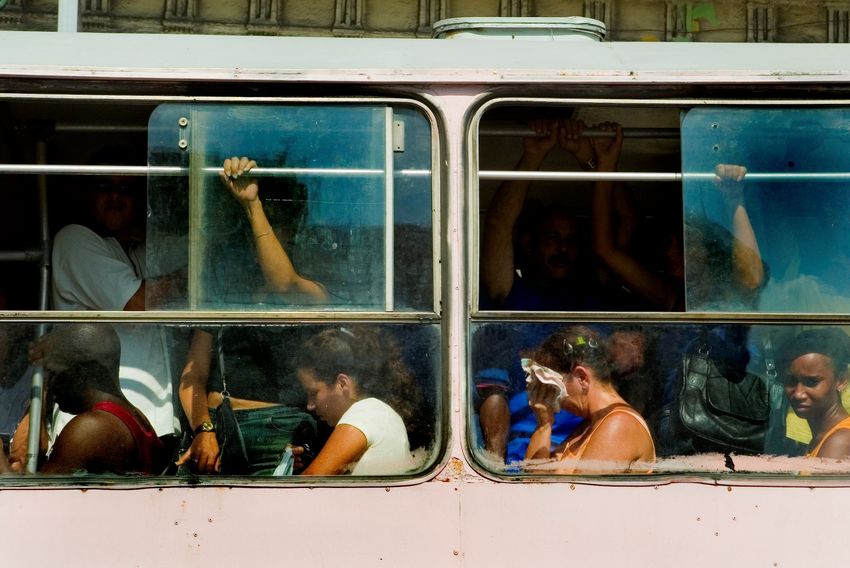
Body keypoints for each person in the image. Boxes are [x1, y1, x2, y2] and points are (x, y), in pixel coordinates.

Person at [176, 158, 326, 475]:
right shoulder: (226, 290)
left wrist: (253, 205)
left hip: (283, 434)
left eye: (276, 223)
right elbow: (193, 376)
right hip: (219, 427)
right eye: (256, 225)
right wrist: (203, 429)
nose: (261, 234)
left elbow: (283, 284)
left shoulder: (311, 290)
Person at [50, 147, 183, 446]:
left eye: (126, 188)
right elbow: (136, 304)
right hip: (95, 422)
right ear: (87, 196)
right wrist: (188, 279)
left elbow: (200, 250)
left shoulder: (137, 250)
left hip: (150, 418)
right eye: (104, 186)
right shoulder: (75, 240)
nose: (115, 196)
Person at [0, 323, 164, 475]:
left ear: (81, 373)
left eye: (54, 373)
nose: (50, 385)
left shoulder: (92, 428)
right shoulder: (131, 415)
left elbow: (34, 494)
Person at [292, 326, 424, 476]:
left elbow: (311, 481)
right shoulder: (376, 412)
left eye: (313, 393)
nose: (310, 405)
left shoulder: (365, 412)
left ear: (342, 384)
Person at [524, 326, 655, 474]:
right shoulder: (589, 426)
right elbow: (532, 482)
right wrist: (543, 425)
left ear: (582, 378)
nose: (554, 400)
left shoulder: (620, 424)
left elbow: (577, 489)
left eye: (554, 389)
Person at [780, 328, 850, 459]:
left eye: (812, 382)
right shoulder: (822, 437)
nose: (798, 394)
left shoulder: (840, 442)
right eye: (791, 381)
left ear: (841, 380)